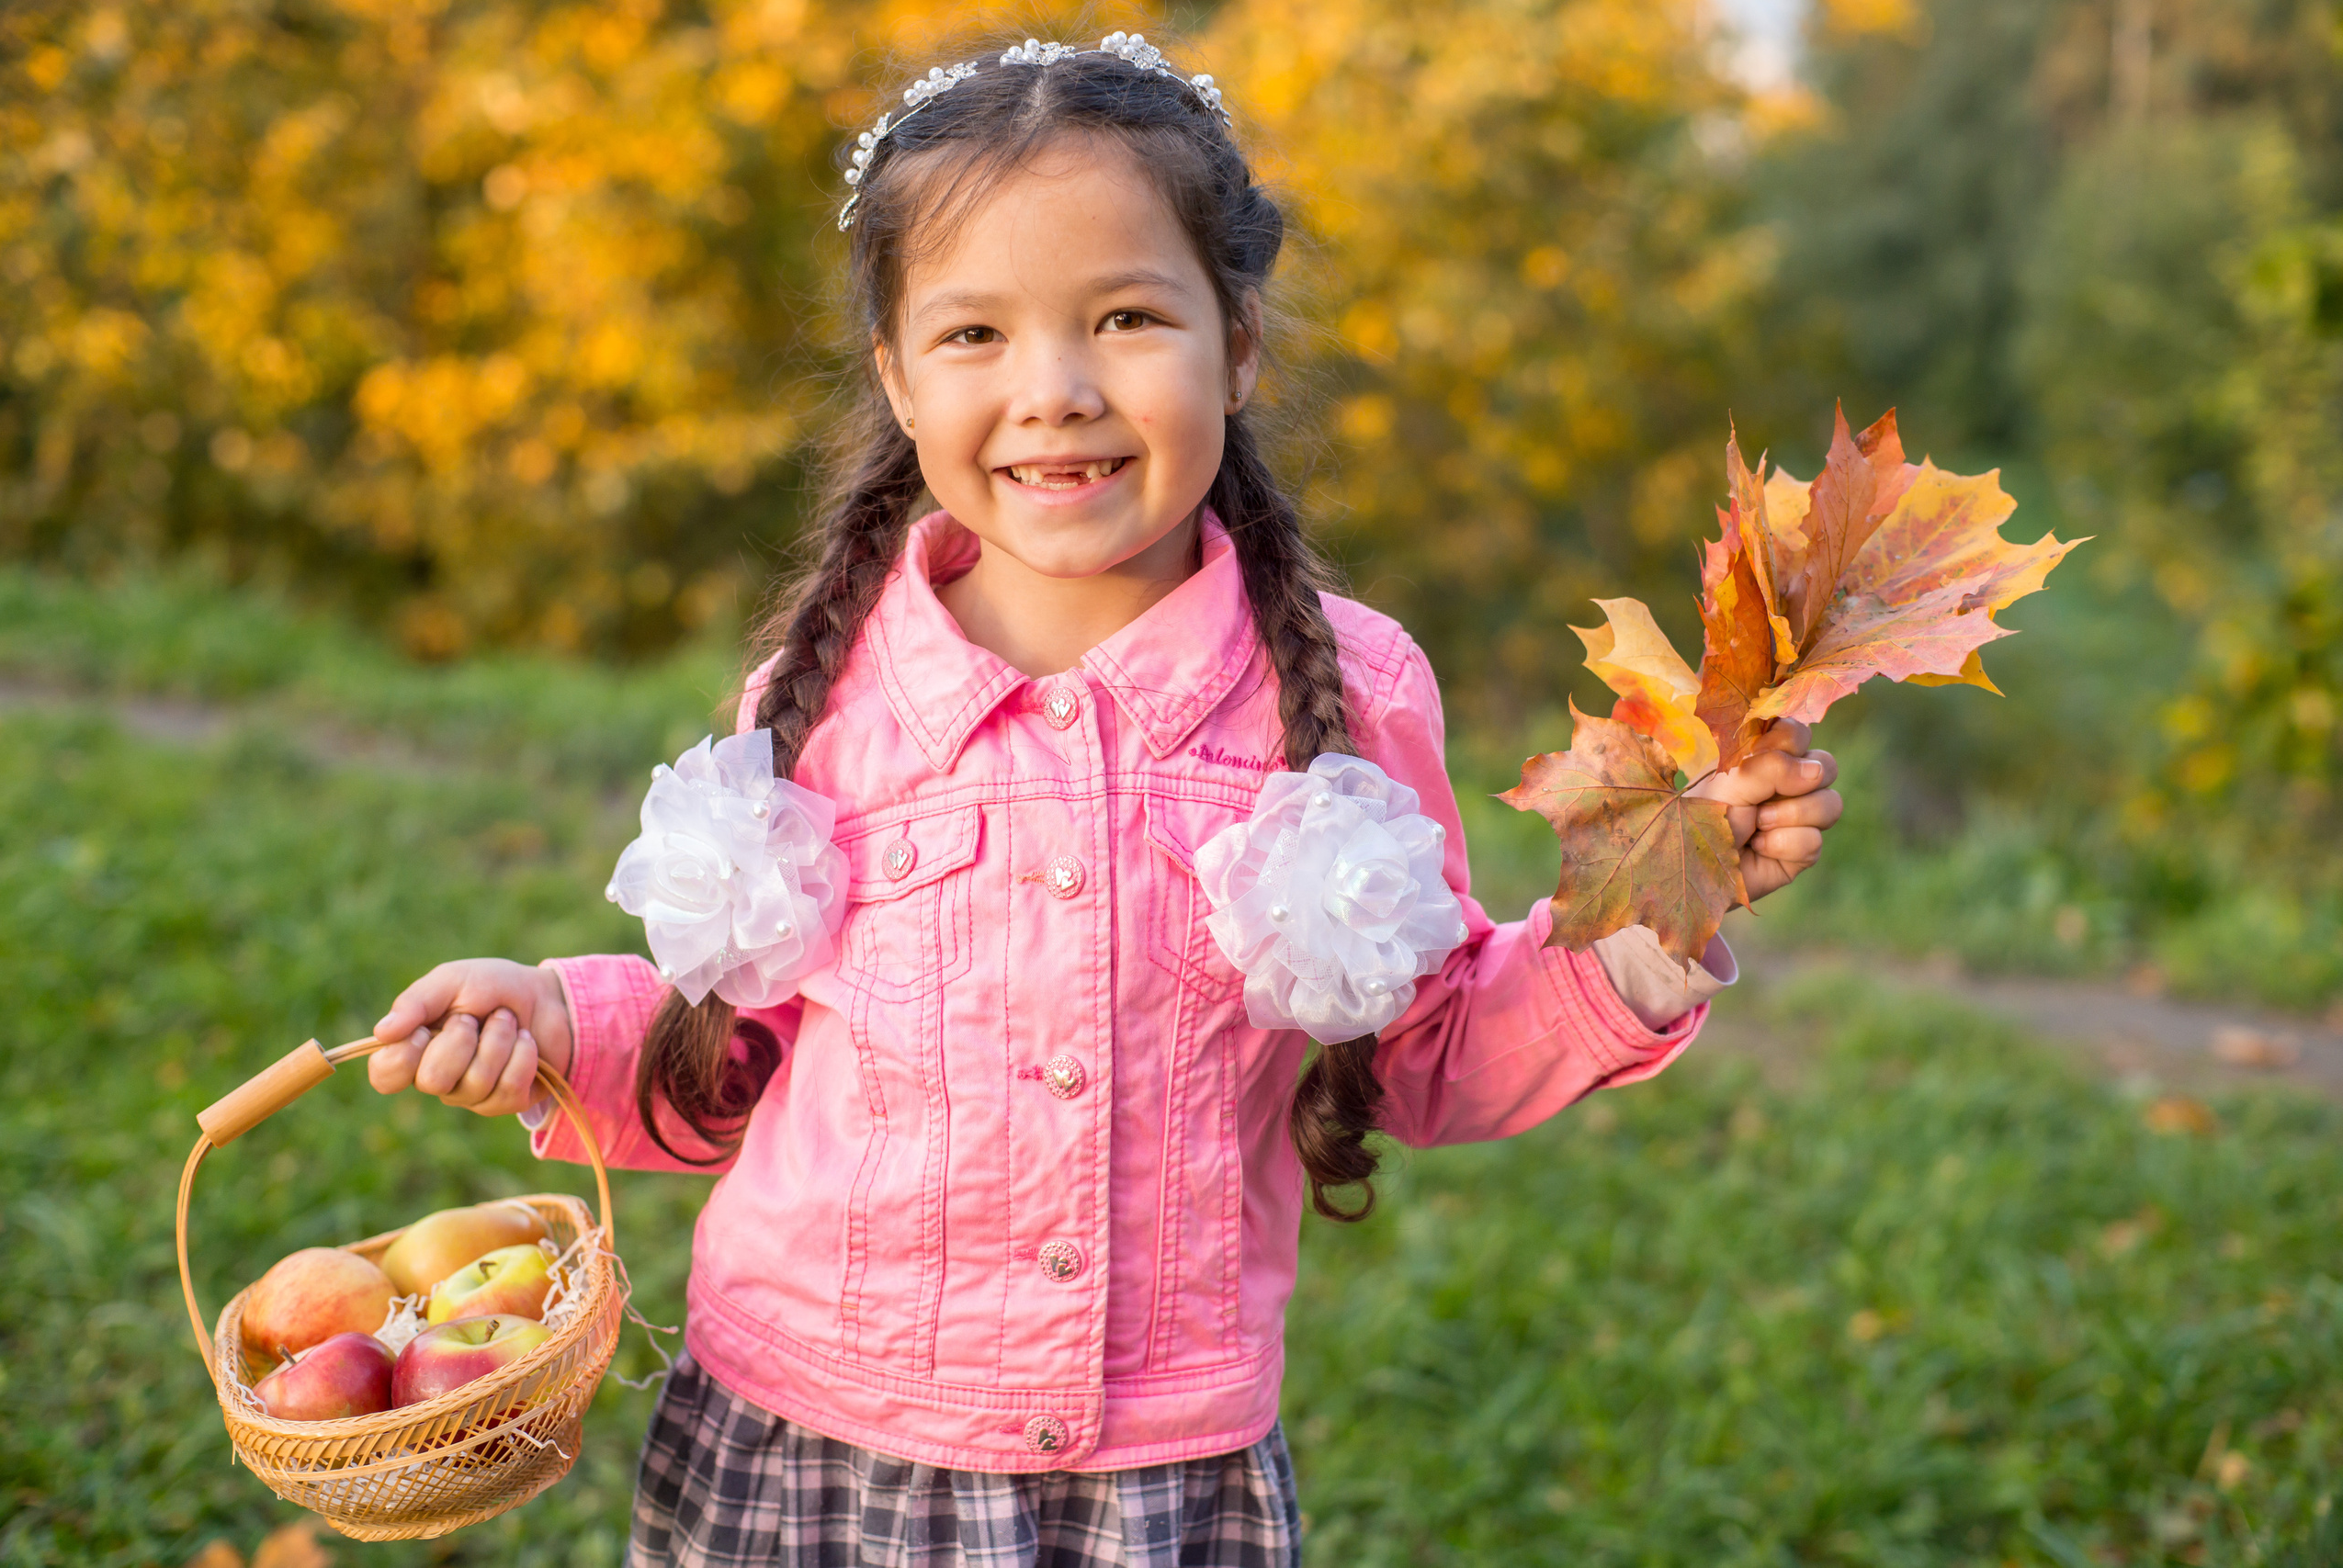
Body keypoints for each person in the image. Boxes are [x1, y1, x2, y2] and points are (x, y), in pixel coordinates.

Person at [363, 31, 1843, 1568]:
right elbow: (735, 1054)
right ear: (895, 374)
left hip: (1154, 1487)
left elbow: (1428, 1047)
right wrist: (550, 1019)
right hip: (800, 1446)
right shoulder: (829, 694)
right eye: (975, 335)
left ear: (1240, 343)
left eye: (1128, 318)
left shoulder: (1343, 695)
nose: (1055, 393)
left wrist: (1664, 925)